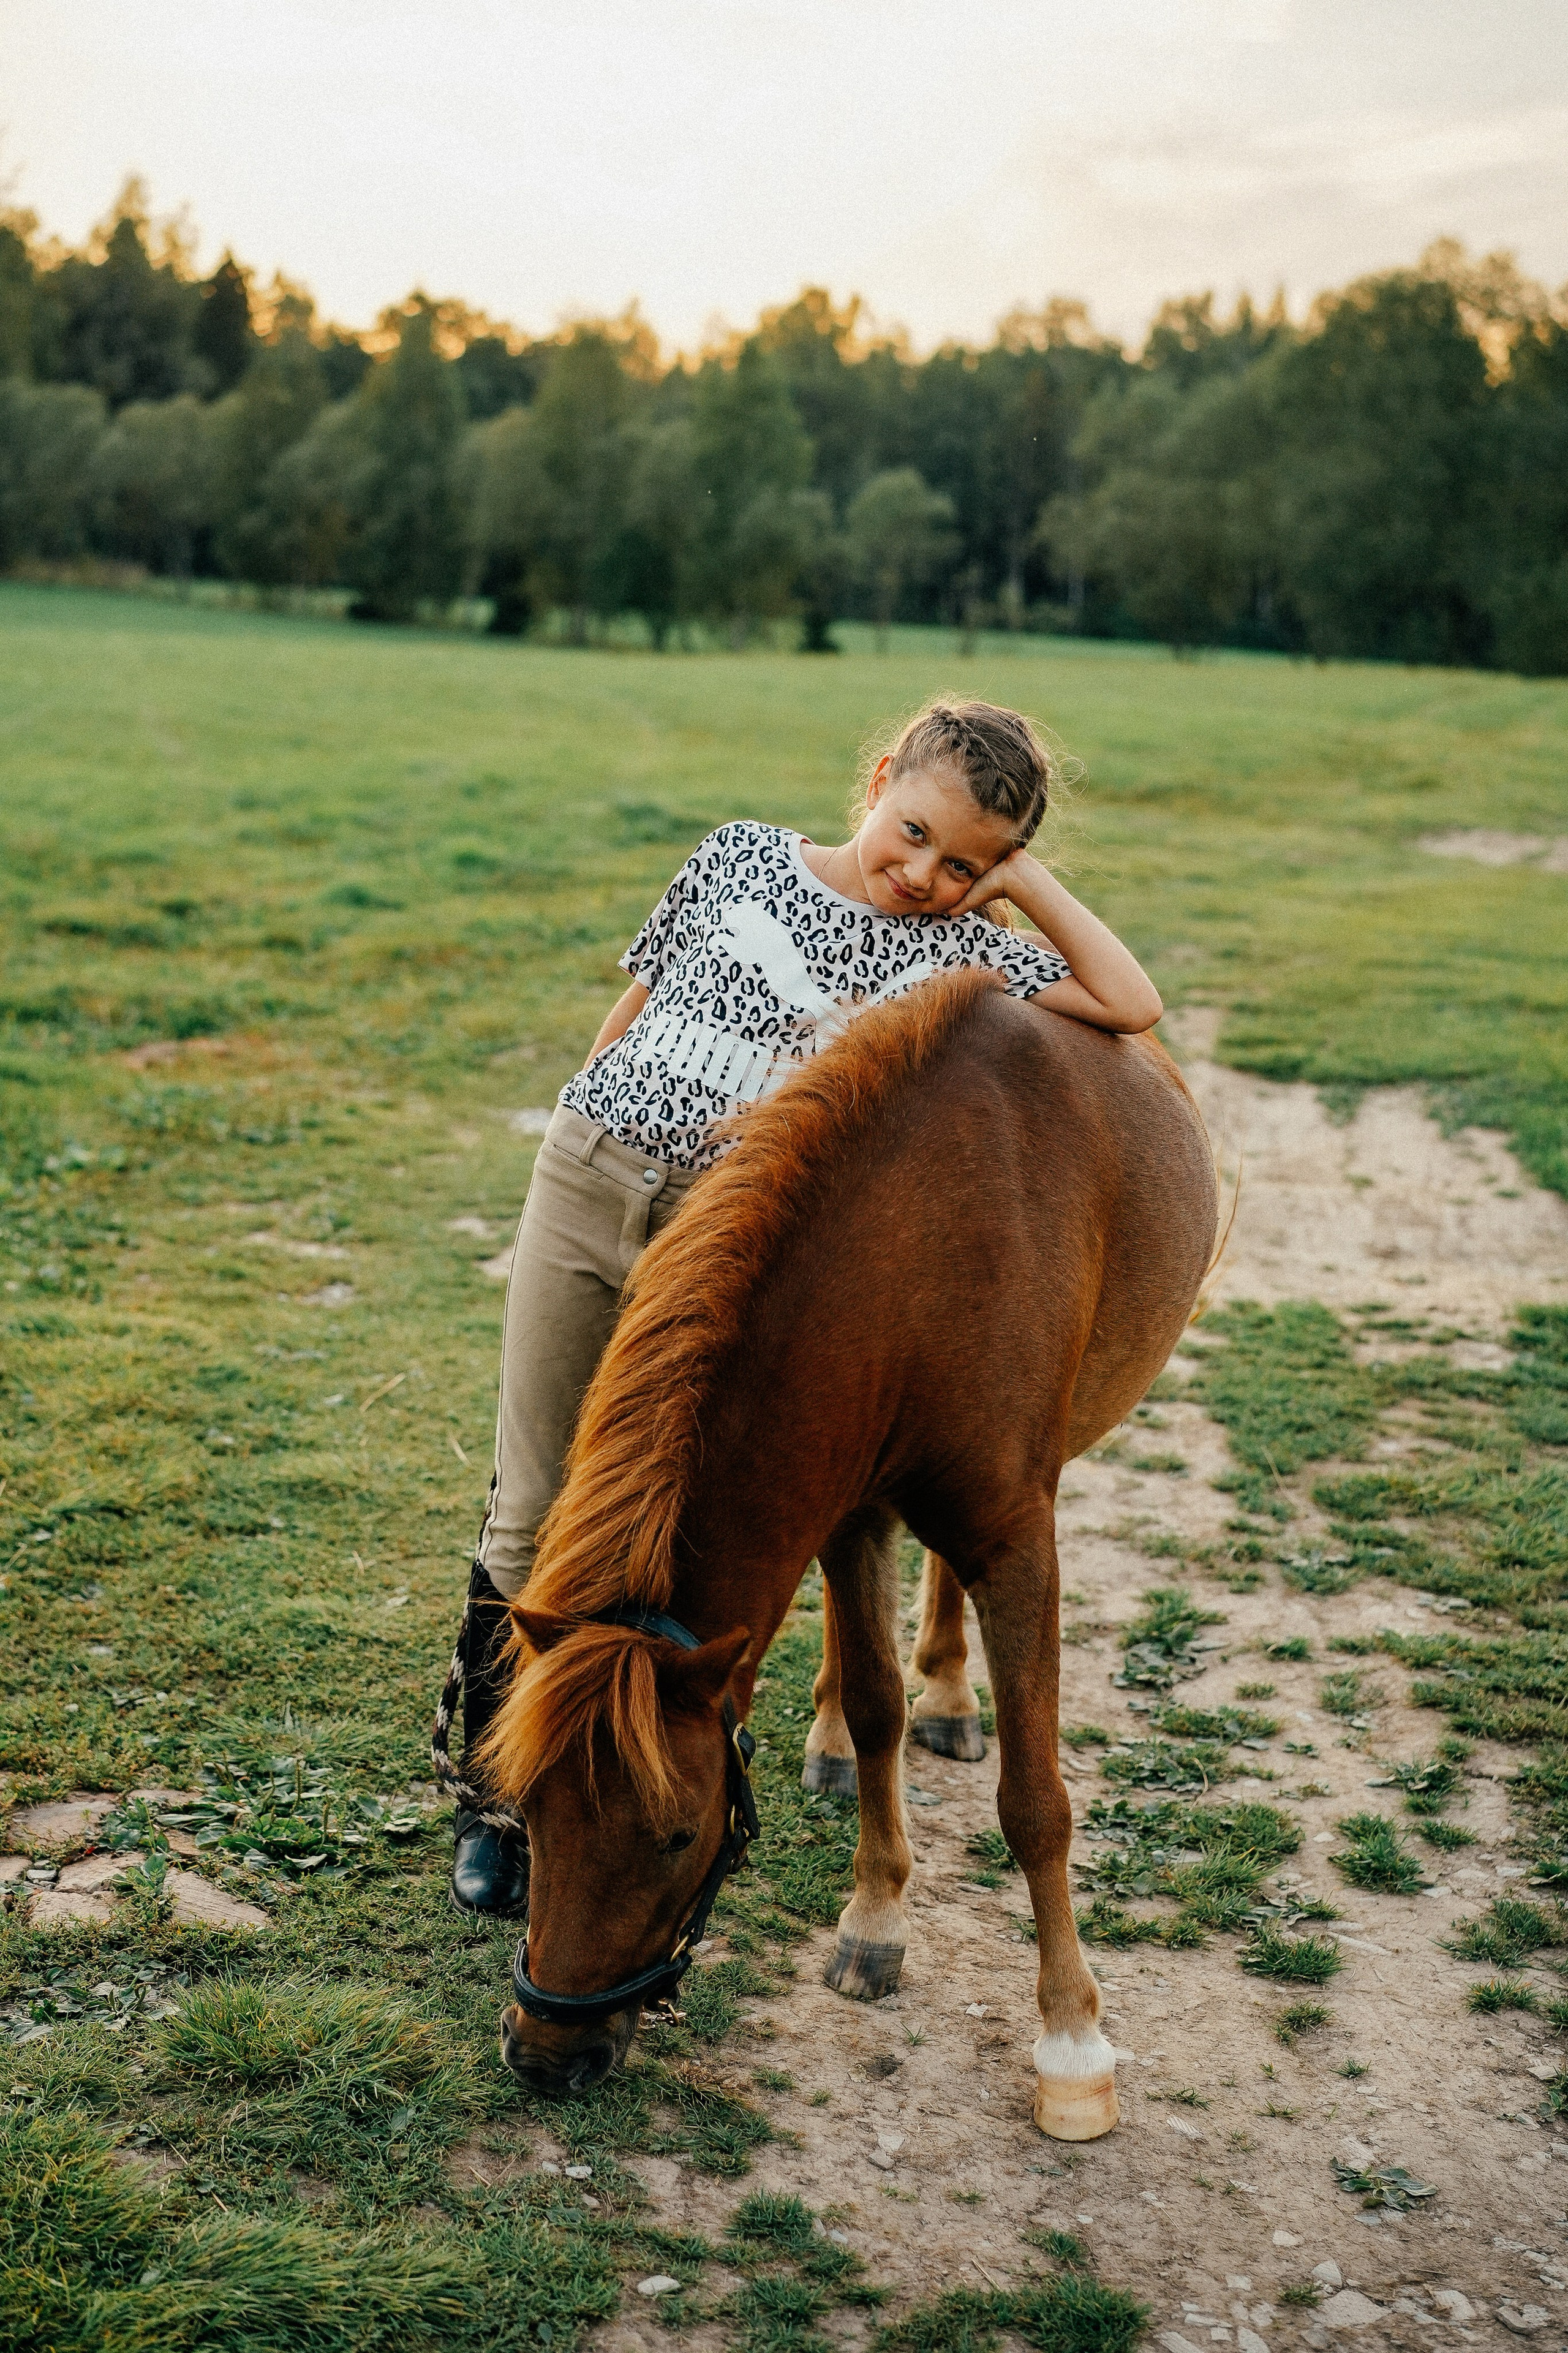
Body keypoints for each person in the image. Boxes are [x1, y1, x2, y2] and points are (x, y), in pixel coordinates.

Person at [442, 696, 1163, 1913]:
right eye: (915, 832)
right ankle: (496, 1796)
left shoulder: (965, 957)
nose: (924, 875)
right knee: (530, 1508)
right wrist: (589, 1100)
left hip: (724, 1234)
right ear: (879, 781)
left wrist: (1022, 883)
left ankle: (642, 1765)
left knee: (680, 1509)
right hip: (587, 1170)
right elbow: (641, 1003)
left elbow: (1129, 1001)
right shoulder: (740, 853)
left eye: (966, 864)